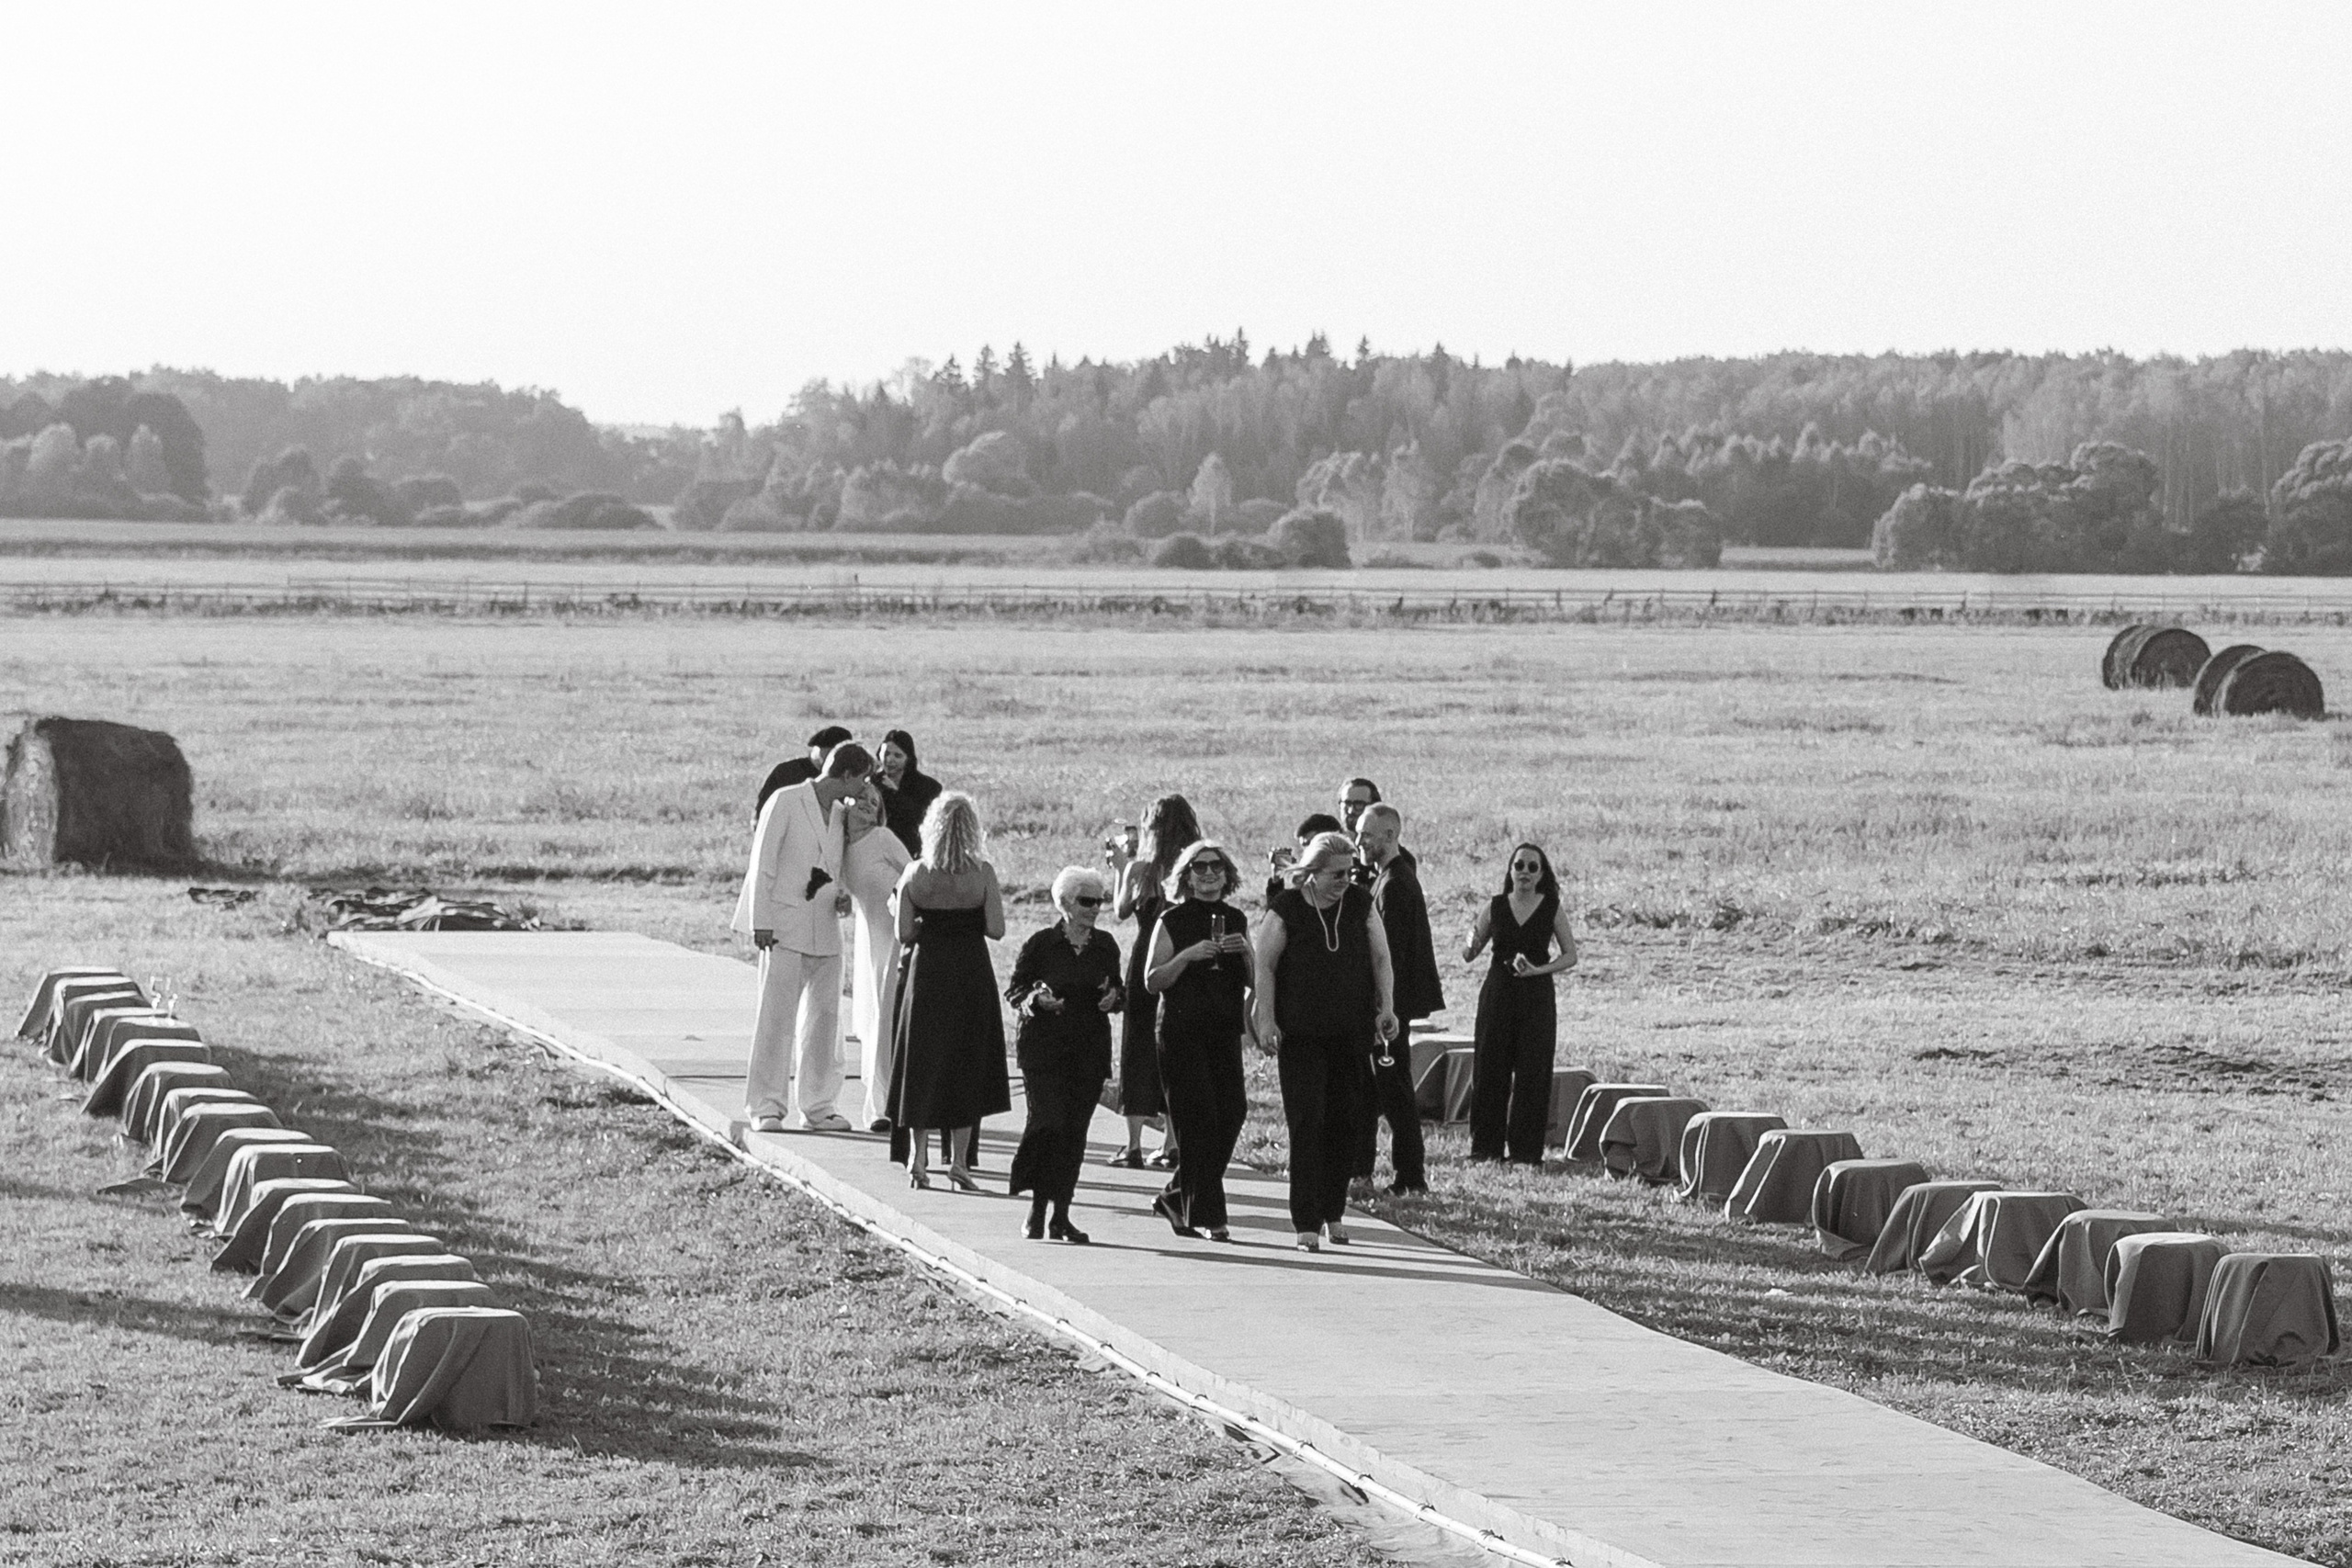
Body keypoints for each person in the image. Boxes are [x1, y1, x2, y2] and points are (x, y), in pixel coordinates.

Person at [1255, 831, 1398, 1251]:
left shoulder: (1360, 903)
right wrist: (1266, 1020)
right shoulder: (1287, 909)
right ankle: (1305, 1220)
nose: (1345, 881)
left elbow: (1381, 956)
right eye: (1336, 874)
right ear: (1312, 874)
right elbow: (1265, 964)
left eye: (1350, 873)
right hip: (1301, 1034)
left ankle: (1334, 1212)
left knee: (1345, 1123)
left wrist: (1386, 1007)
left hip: (1350, 1032)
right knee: (1307, 1123)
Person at [733, 741, 875, 1133]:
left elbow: (840, 863)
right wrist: (761, 920)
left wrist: (843, 893)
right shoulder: (786, 799)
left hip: (826, 925)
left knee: (825, 1020)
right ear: (846, 774)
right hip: (783, 923)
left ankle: (818, 1105)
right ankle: (766, 1105)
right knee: (776, 1017)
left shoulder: (842, 814)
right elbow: (762, 862)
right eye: (863, 777)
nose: (865, 786)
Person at [888, 791, 1010, 1190]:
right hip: (970, 973)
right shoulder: (982, 873)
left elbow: (904, 933)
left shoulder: (915, 873)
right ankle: (959, 1161)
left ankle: (918, 1159)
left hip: (928, 974)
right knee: (965, 1065)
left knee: (922, 1065)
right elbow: (996, 929)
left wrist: (926, 924)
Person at [1005, 866, 1124, 1244]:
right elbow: (1015, 992)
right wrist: (1036, 1000)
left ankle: (1061, 1215)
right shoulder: (1041, 944)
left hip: (1088, 1050)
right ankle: (1037, 1208)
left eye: (1100, 901)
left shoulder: (1106, 946)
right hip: (1044, 1050)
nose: (1095, 908)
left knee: (1074, 1133)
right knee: (1048, 1124)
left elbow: (1118, 990)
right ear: (1066, 903)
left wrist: (1113, 997)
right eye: (1087, 901)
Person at [1145, 840, 1252, 1241]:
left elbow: (1256, 983)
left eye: (1217, 867)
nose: (1209, 874)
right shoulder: (1173, 919)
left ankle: (1175, 1196)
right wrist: (1188, 956)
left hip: (1224, 1031)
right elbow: (1152, 980)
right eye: (1200, 867)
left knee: (1232, 1112)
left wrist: (1246, 955)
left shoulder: (1236, 918)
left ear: (1227, 876)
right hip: (1181, 1032)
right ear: (1186, 876)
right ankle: (1209, 1215)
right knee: (1198, 1121)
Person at [1464, 842, 1578, 1164]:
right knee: (1490, 1068)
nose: (1525, 872)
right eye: (1519, 866)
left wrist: (1538, 970)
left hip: (1536, 995)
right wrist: (1470, 942)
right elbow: (1470, 950)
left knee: (1533, 1071)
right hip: (1499, 992)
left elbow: (1571, 955)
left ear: (1542, 874)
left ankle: (1526, 1152)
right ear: (1510, 870)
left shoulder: (1551, 907)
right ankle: (1485, 1148)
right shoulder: (1496, 906)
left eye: (1532, 867)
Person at [1352, 803, 1442, 1194]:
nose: (1358, 842)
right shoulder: (1388, 878)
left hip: (1389, 1009)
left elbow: (1388, 956)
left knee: (1394, 1094)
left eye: (1366, 835)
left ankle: (1410, 1177)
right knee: (1377, 1092)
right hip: (1391, 1006)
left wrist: (1382, 1007)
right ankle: (1363, 1169)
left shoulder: (1394, 885)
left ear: (1390, 837)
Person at [1106, 794, 1200, 1168]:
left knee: (1136, 1045)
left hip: (1143, 956)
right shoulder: (1193, 867)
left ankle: (1132, 1144)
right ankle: (1172, 1140)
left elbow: (1119, 910)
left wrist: (1119, 866)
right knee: (1171, 1047)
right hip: (1177, 959)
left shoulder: (1139, 869)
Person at [842, 786, 912, 1131]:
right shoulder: (838, 845)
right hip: (869, 938)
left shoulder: (883, 838)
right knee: (872, 1024)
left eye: (876, 802)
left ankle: (883, 1107)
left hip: (897, 938)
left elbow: (915, 875)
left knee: (887, 1019)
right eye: (863, 798)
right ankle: (881, 1102)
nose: (870, 805)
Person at [757, 725, 853, 818]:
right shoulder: (787, 771)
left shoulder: (847, 777)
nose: (833, 758)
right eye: (831, 752)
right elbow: (763, 810)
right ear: (818, 749)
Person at [876, 728, 943, 856]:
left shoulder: (929, 787)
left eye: (897, 755)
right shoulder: (870, 784)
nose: (890, 760)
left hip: (913, 852)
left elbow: (921, 819)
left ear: (908, 758)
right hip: (878, 852)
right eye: (886, 754)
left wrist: (893, 792)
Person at [1262, 812, 1343, 908]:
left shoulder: (1352, 886)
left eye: (1311, 845)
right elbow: (1276, 919)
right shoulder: (1305, 889)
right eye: (1304, 847)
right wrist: (1277, 880)